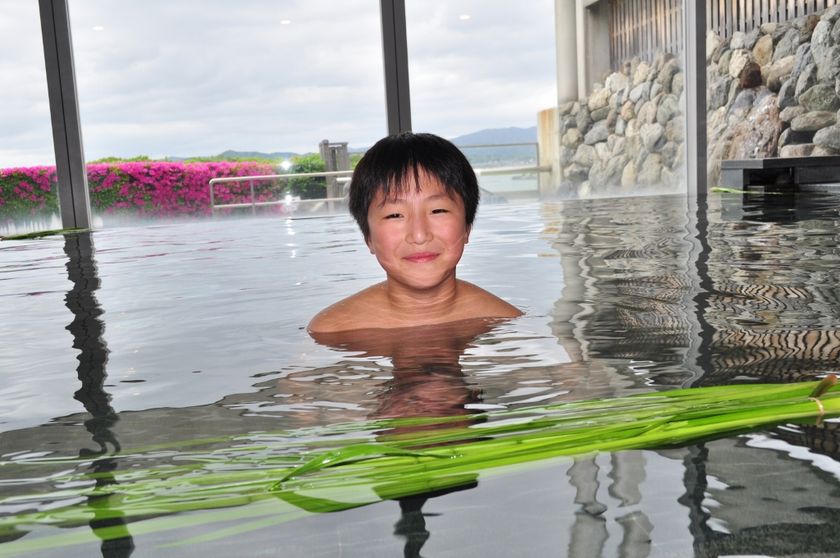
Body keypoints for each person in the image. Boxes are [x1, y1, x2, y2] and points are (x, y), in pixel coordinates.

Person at [308, 132, 522, 333]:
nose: (419, 235)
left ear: (467, 227)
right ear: (368, 237)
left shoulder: (505, 323)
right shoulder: (332, 330)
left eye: (438, 210)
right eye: (394, 215)